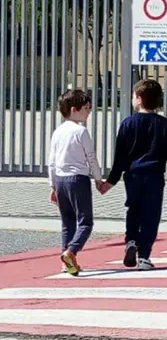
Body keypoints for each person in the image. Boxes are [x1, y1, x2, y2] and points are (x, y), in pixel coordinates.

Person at [100, 80, 167, 271]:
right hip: (154, 174)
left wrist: (110, 181)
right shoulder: (165, 125)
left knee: (133, 208)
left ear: (139, 98)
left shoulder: (128, 123)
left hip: (133, 175)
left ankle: (131, 240)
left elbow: (120, 157)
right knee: (151, 214)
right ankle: (144, 256)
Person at [48, 90, 103, 276]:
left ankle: (66, 263)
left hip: (60, 179)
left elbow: (52, 160)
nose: (89, 112)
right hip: (78, 179)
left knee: (67, 222)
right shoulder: (81, 131)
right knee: (85, 222)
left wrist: (52, 185)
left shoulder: (58, 131)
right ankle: (71, 252)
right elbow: (91, 158)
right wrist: (98, 179)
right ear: (74, 109)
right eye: (86, 108)